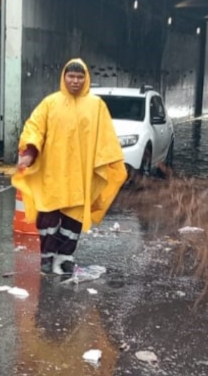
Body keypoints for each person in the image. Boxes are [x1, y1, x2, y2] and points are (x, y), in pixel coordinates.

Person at [12, 59, 127, 277]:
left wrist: (113, 162)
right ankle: (47, 257)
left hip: (80, 177)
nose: (75, 81)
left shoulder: (96, 106)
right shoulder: (50, 103)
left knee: (72, 221)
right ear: (64, 77)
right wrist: (29, 153)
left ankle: (65, 259)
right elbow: (35, 129)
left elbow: (106, 138)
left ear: (86, 79)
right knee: (47, 219)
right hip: (52, 174)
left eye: (79, 77)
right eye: (71, 76)